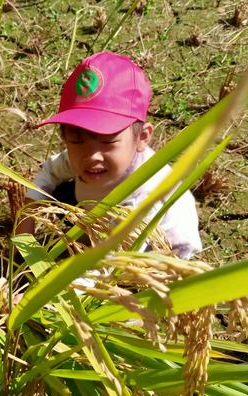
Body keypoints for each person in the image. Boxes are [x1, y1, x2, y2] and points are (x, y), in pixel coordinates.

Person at [17, 51, 202, 259]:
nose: (92, 155)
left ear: (142, 137)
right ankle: (88, 234)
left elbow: (108, 268)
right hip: (100, 213)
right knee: (58, 192)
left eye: (108, 141)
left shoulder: (142, 197)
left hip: (154, 250)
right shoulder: (81, 157)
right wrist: (26, 224)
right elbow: (48, 173)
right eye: (77, 139)